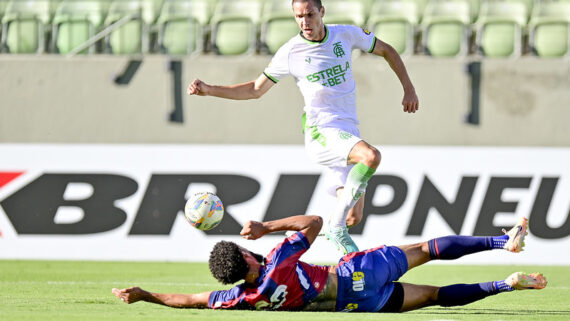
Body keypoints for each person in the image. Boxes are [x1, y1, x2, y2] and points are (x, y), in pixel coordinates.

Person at [186, 0, 420, 254]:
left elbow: (388, 51)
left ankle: (279, 232)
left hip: (347, 131)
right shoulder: (291, 52)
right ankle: (336, 228)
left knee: (354, 216)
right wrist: (209, 89)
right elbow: (255, 90)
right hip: (321, 131)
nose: (304, 22)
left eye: (309, 14)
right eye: (299, 16)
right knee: (371, 156)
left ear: (322, 12)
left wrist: (409, 88)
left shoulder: (346, 34)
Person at [112, 215, 546, 312]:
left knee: (433, 297)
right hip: (357, 274)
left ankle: (505, 285)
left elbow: (189, 299)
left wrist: (147, 295)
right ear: (245, 257)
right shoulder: (277, 260)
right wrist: (267, 228)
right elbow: (313, 221)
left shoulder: (242, 298)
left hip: (358, 306)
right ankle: (502, 241)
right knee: (428, 250)